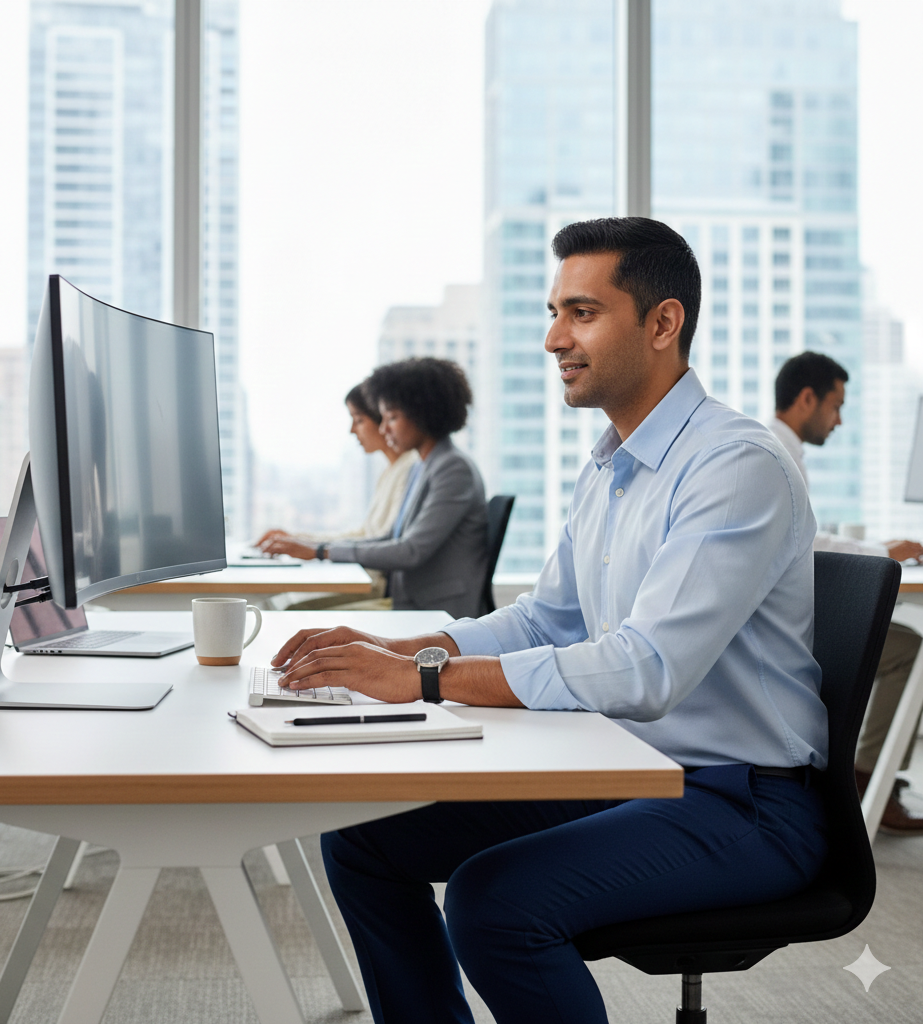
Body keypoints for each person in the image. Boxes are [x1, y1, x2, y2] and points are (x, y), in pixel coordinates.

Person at [267, 218, 829, 1024]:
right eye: (552, 311)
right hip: (629, 772)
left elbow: (645, 668)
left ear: (663, 323)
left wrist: (426, 678)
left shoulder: (734, 465)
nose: (553, 337)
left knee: (494, 900)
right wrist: (401, 650)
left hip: (743, 802)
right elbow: (544, 621)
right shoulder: (609, 465)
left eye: (582, 312)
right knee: (363, 837)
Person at [771, 351, 923, 834]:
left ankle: (867, 774)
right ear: (807, 398)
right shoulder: (774, 452)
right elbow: (807, 540)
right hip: (788, 629)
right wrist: (882, 550)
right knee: (908, 650)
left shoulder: (781, 449)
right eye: (836, 405)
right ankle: (866, 777)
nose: (838, 420)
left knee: (901, 644)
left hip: (788, 616)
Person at [263, 357, 488, 620]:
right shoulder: (423, 467)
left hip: (433, 610)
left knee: (296, 618)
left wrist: (320, 551)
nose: (383, 428)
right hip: (409, 602)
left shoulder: (453, 469)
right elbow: (390, 538)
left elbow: (411, 551)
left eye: (392, 417)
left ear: (423, 413)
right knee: (293, 614)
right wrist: (319, 548)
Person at [256, 381, 418, 604]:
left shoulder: (410, 469)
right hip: (364, 574)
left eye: (359, 420)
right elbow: (364, 533)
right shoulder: (391, 470)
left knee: (285, 603)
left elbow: (378, 541)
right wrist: (299, 539)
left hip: (375, 582)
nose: (353, 430)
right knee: (280, 600)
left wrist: (314, 548)